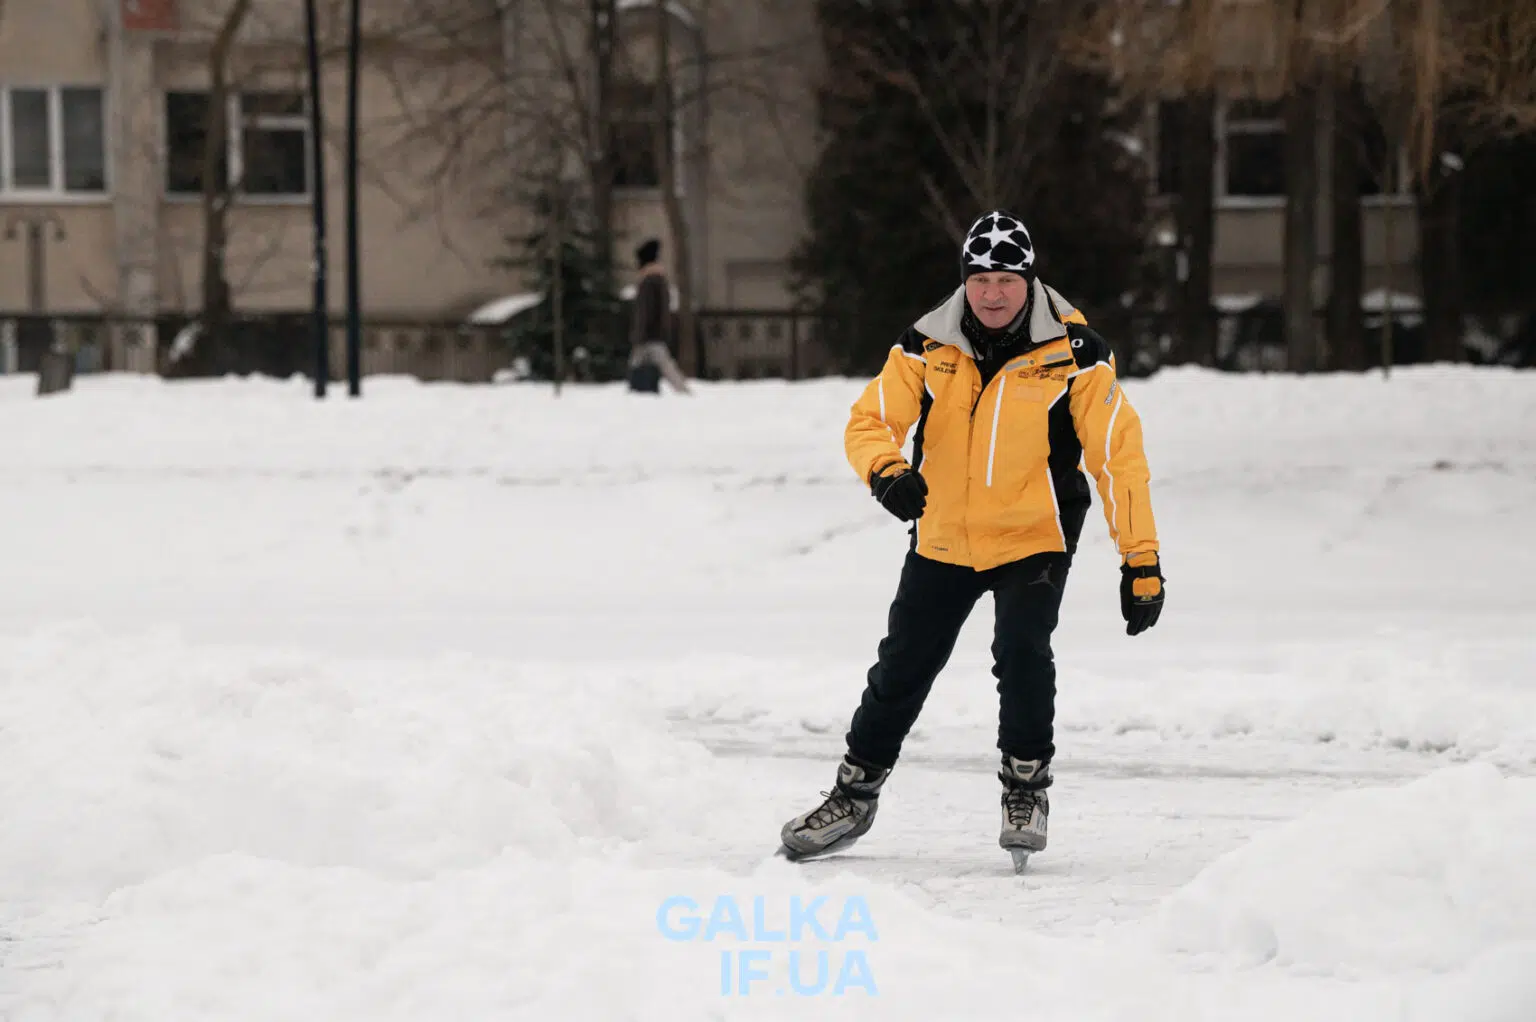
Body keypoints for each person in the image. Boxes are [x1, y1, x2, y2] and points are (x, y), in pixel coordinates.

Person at [778, 211, 1165, 872]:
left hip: (1034, 535)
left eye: (1006, 280)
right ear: (965, 280)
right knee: (902, 666)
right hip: (945, 535)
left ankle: (1025, 790)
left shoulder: (1077, 353)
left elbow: (1117, 458)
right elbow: (869, 421)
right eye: (980, 279)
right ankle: (853, 797)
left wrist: (1141, 560)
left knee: (1021, 651)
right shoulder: (926, 344)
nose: (992, 293)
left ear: (1029, 280)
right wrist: (887, 471)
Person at [628, 238, 691, 394]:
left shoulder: (649, 281)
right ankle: (682, 391)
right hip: (656, 333)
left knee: (659, 365)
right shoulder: (659, 279)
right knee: (657, 364)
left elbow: (645, 311)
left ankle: (684, 392)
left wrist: (639, 333)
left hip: (650, 334)